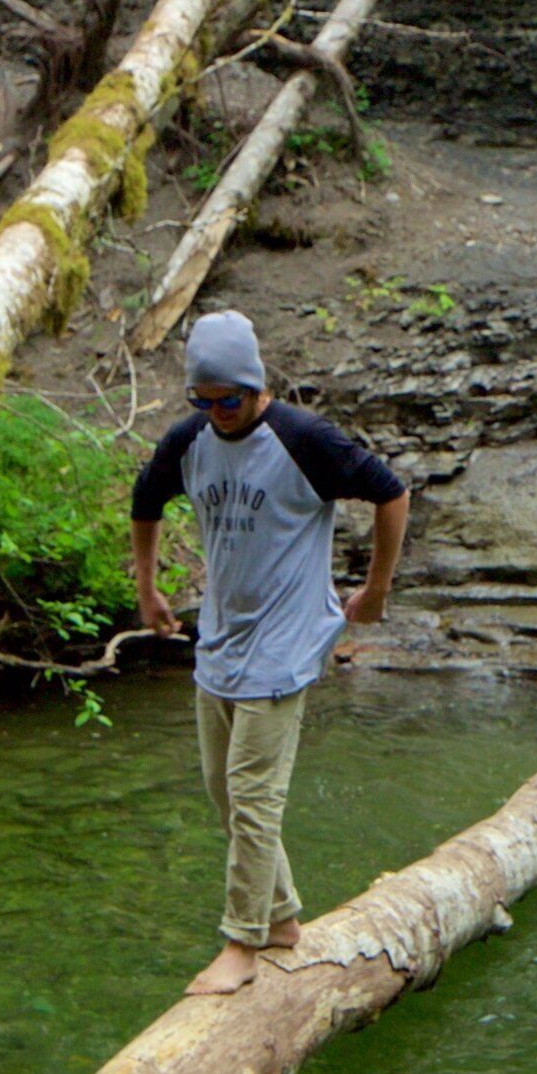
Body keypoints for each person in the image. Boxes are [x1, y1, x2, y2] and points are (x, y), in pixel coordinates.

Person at [130, 310, 408, 997]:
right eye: (206, 400)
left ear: (257, 387)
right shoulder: (191, 438)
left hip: (283, 647)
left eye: (232, 399)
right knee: (225, 794)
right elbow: (146, 499)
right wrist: (148, 587)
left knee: (254, 798)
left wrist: (375, 588)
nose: (219, 413)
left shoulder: (303, 439)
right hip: (220, 640)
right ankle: (281, 918)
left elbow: (391, 492)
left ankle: (242, 944)